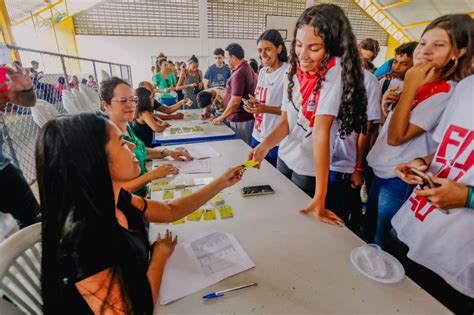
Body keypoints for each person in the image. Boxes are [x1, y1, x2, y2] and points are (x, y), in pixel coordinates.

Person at [38, 112, 246, 314]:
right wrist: (160, 256)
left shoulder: (114, 198)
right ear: (93, 161)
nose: (131, 147)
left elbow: (169, 211)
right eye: (121, 143)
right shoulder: (84, 244)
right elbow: (136, 310)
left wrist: (221, 182)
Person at [249, 4, 367, 226]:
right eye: (300, 45)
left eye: (314, 48)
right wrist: (265, 146)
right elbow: (286, 121)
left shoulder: (334, 72)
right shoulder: (294, 70)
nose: (303, 55)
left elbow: (320, 132)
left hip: (308, 167)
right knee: (282, 213)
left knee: (300, 222)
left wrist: (320, 197)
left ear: (333, 46)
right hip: (285, 155)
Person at [366, 14, 472, 248]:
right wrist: (386, 107)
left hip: (399, 179)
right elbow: (389, 130)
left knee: (382, 240)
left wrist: (410, 87)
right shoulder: (414, 82)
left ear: (459, 53)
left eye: (439, 45)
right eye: (423, 42)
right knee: (369, 227)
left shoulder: (448, 91)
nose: (425, 50)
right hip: (385, 167)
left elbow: (396, 138)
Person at [391, 75, 474, 314]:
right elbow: (451, 149)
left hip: (455, 261)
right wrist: (419, 163)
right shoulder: (468, 86)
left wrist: (467, 198)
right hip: (411, 227)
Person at [101, 77, 193, 196]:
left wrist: (168, 152)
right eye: (123, 101)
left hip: (146, 192)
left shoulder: (126, 126)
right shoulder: (107, 138)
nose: (131, 105)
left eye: (133, 99)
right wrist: (152, 175)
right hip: (131, 203)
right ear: (106, 105)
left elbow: (141, 150)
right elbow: (116, 190)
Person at [0, 64, 40, 229]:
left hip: (3, 170)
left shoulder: (3, 74)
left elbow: (28, 101)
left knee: (33, 220)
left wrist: (26, 88)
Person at [243, 29, 290, 167]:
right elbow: (263, 99)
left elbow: (292, 112)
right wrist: (254, 103)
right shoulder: (263, 71)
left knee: (273, 182)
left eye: (268, 49)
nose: (263, 54)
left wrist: (265, 108)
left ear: (279, 49)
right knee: (254, 171)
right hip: (257, 134)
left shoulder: (288, 72)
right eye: (260, 50)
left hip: (275, 139)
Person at [212, 43, 256, 145]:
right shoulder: (246, 67)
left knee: (240, 149)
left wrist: (221, 117)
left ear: (233, 57)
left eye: (227, 58)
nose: (226, 60)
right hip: (244, 118)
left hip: (240, 119)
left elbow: (235, 102)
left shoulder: (239, 73)